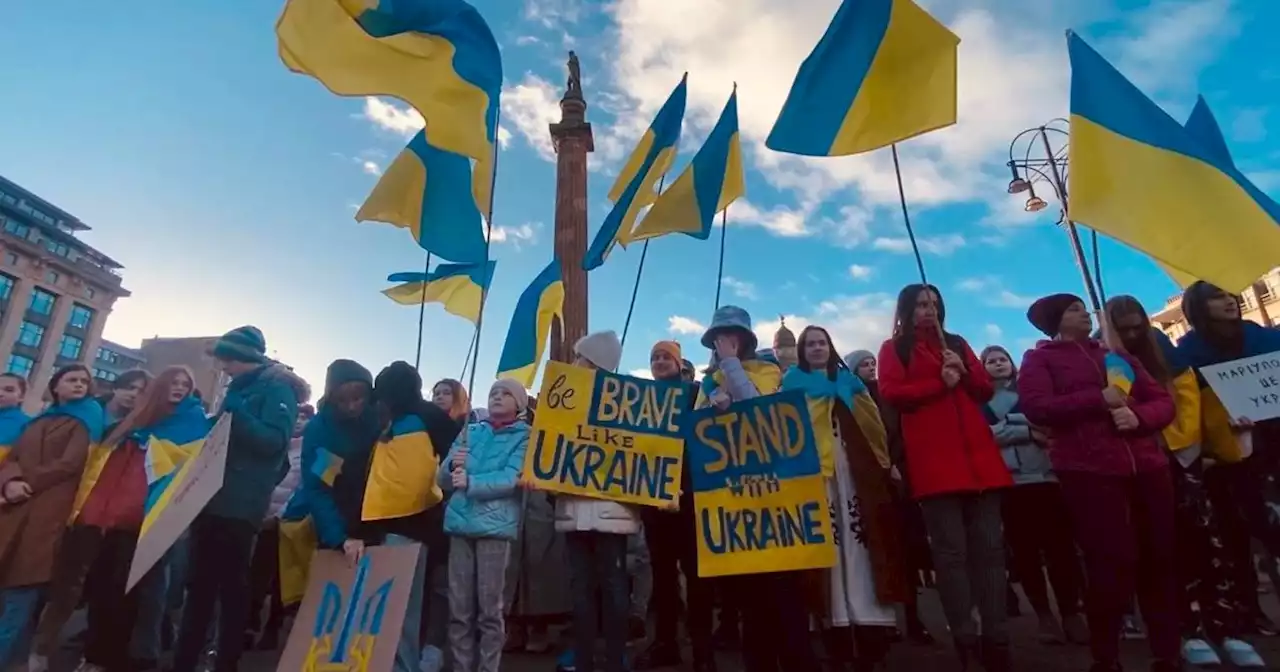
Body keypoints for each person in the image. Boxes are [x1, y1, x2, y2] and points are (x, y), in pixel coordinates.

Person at [1018, 293, 1180, 672]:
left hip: (1147, 469)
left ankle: (1167, 653)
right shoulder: (1039, 360)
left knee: (1159, 558)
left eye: (1083, 308)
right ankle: (1105, 656)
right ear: (1055, 321)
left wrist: (1139, 418)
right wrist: (1098, 399)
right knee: (1112, 562)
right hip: (1089, 472)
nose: (1084, 314)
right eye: (1074, 310)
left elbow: (1162, 401)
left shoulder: (1117, 357)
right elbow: (1037, 407)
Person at [1106, 294, 1265, 667]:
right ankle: (1187, 630)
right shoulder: (1107, 360)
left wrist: (1219, 438)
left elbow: (1193, 405)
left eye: (1137, 328)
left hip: (1187, 463)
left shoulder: (1169, 355)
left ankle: (1225, 628)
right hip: (1143, 470)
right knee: (1165, 552)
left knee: (1210, 546)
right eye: (1123, 329)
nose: (1132, 336)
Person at [876, 284, 1013, 671]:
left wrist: (965, 369)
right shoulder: (894, 349)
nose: (929, 311)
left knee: (990, 553)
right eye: (921, 304)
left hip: (981, 463)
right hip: (936, 466)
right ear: (906, 309)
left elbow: (984, 391)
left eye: (934, 304)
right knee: (951, 557)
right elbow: (893, 392)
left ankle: (997, 638)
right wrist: (941, 381)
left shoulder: (956, 342)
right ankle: (965, 638)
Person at [172, 326, 309, 672]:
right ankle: (184, 661)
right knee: (199, 587)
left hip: (241, 504)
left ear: (245, 358)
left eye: (228, 360)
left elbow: (274, 442)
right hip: (211, 498)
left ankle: (225, 661)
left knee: (231, 589)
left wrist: (239, 415)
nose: (224, 367)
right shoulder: (238, 388)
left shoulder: (277, 390)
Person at [696, 307, 817, 672]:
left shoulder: (769, 374)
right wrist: (710, 408)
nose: (722, 343)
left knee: (786, 595)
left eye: (729, 336)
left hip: (777, 500)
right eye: (718, 338)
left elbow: (761, 413)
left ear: (744, 341)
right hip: (735, 507)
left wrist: (732, 367)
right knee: (752, 602)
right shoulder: (708, 384)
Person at [785, 326, 905, 672]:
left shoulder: (851, 384)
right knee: (829, 547)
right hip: (815, 474)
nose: (818, 349)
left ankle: (870, 627)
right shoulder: (792, 386)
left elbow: (873, 427)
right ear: (802, 351)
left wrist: (884, 464)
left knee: (863, 544)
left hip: (855, 473)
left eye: (822, 343)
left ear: (831, 347)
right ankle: (834, 625)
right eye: (811, 344)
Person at [1177, 281, 1280, 639]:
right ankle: (1250, 611)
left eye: (1229, 295)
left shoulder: (1263, 338)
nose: (1230, 301)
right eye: (1218, 297)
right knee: (1237, 535)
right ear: (1199, 307)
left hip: (1274, 444)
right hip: (1226, 457)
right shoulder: (1188, 351)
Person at [980, 345, 1087, 646]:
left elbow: (1049, 424)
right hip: (1011, 484)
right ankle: (1044, 616)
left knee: (1061, 551)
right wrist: (1025, 430)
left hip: (1047, 477)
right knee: (1025, 554)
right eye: (991, 361)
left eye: (1003, 359)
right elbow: (985, 434)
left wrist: (1011, 428)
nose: (998, 364)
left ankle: (1070, 612)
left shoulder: (1031, 393)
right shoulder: (981, 401)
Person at [0, 365, 104, 670]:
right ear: (56, 386)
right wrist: (11, 482)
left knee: (25, 587)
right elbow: (14, 457)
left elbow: (71, 463)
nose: (79, 385)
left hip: (52, 510)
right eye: (72, 380)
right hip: (16, 506)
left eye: (84, 381)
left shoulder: (88, 417)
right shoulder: (37, 421)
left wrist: (28, 482)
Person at [365, 361, 463, 672]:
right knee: (395, 602)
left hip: (417, 525)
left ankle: (404, 665)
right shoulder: (386, 420)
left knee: (406, 603)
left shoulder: (427, 417)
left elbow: (454, 461)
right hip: (386, 525)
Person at [556, 330, 638, 672]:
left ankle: (616, 655)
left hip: (612, 512)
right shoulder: (561, 404)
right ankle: (584, 653)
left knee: (614, 587)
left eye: (580, 358)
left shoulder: (627, 407)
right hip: (573, 510)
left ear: (597, 365)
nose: (574, 364)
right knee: (580, 589)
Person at [438, 378, 530, 672]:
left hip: (495, 527)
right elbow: (441, 479)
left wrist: (472, 482)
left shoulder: (526, 437)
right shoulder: (470, 431)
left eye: (506, 394)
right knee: (459, 610)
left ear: (519, 403)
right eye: (493, 393)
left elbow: (513, 478)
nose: (497, 398)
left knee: (490, 611)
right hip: (460, 525)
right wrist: (451, 467)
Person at [846, 349, 933, 646]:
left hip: (897, 480)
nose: (870, 368)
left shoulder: (888, 398)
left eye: (873, 363)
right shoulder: (850, 398)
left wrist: (895, 463)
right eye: (864, 365)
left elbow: (899, 434)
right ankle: (883, 621)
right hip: (867, 481)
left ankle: (912, 617)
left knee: (905, 552)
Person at [635, 340, 713, 671]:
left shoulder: (696, 393)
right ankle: (665, 643)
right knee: (663, 578)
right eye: (654, 357)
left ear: (679, 363)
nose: (659, 361)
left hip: (693, 496)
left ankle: (703, 652)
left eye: (665, 356)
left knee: (698, 579)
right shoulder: (639, 399)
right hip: (656, 501)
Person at [245, 402, 313, 652]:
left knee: (280, 581)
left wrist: (281, 516)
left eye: (305, 417)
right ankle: (249, 625)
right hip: (260, 520)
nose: (298, 421)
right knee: (255, 577)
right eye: (296, 416)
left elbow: (303, 487)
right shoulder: (276, 444)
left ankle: (272, 628)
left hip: (288, 524)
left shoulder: (307, 450)